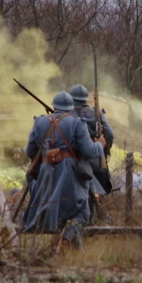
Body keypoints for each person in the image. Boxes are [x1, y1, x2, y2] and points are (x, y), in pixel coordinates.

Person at [23, 91, 105, 249]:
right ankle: (67, 238)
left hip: (45, 173)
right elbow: (89, 151)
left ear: (54, 106)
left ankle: (66, 248)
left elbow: (30, 151)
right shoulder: (77, 123)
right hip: (69, 174)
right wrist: (100, 144)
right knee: (82, 212)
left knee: (51, 209)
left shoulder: (39, 122)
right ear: (71, 107)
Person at [69, 84, 114, 221]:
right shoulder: (96, 113)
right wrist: (104, 150)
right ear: (85, 99)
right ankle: (90, 222)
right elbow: (110, 135)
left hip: (72, 158)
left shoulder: (66, 115)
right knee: (92, 192)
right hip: (94, 158)